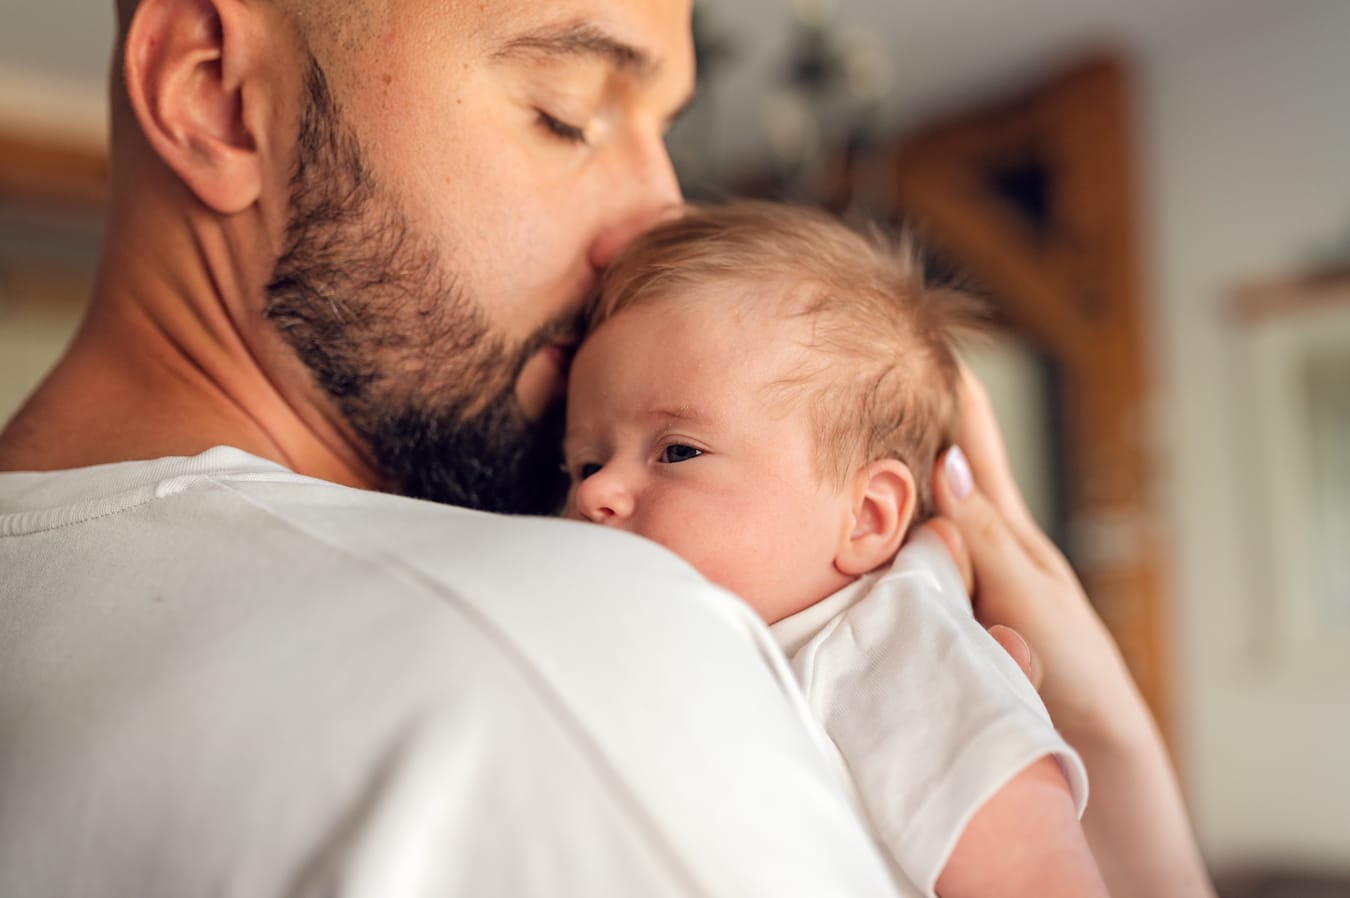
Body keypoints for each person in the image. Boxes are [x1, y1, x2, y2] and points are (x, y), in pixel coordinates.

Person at [0, 0, 1215, 896]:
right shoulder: (562, 652)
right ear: (218, 93)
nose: (664, 217)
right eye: (568, 112)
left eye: (665, 129)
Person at [562, 200, 1104, 897]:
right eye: (580, 464)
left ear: (868, 517)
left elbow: (1037, 874)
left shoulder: (891, 645)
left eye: (676, 451)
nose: (595, 491)